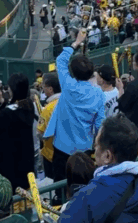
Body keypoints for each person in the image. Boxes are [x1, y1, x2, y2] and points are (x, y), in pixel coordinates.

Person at [44, 30, 106, 182]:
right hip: (84, 149)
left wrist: (76, 43)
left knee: (61, 187)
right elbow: (99, 124)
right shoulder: (98, 94)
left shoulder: (68, 85)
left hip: (62, 149)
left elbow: (60, 60)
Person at [0, 74, 36, 191]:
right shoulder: (29, 106)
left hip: (9, 164)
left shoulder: (8, 113)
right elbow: (14, 112)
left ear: (13, 90)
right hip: (25, 161)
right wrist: (3, 102)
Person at [37, 73, 61, 180]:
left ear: (50, 89)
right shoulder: (70, 103)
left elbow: (41, 134)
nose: (42, 88)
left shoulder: (48, 108)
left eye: (44, 86)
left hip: (51, 155)